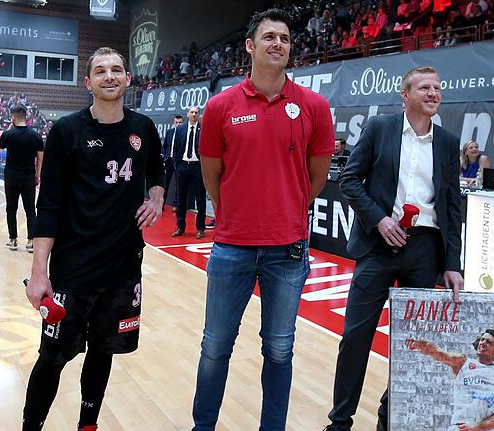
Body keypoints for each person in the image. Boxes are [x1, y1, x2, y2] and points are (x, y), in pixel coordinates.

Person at [192, 8, 333, 430]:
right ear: (250, 46)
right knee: (215, 347)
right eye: (269, 37)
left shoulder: (314, 106)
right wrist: (239, 213)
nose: (278, 44)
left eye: (285, 39)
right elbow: (212, 176)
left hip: (288, 249)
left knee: (279, 350)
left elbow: (318, 176)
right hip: (231, 246)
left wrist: (284, 209)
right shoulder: (220, 107)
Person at [21, 47, 164, 431]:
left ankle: (88, 424)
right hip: (73, 270)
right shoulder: (67, 131)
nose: (110, 76)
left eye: (117, 69)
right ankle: (30, 426)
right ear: (88, 82)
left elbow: (156, 169)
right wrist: (39, 273)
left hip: (122, 270)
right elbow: (48, 205)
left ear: (128, 78)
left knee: (104, 351)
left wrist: (157, 195)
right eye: (100, 71)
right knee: (51, 357)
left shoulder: (143, 128)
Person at [325, 66, 464, 431]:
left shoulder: (448, 142)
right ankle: (340, 421)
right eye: (424, 87)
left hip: (424, 249)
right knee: (356, 336)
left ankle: (390, 415)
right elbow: (351, 180)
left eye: (437, 87)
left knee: (414, 343)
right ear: (405, 95)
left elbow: (452, 205)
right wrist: (379, 220)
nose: (433, 93)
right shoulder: (380, 128)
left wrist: (452, 262)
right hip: (378, 243)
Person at [406, 330, 494, 431]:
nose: (483, 343)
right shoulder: (463, 363)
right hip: (460, 426)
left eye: (489, 342)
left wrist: (476, 427)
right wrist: (418, 345)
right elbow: (436, 352)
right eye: (482, 339)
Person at [0, 105, 44, 252]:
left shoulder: (8, 134)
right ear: (26, 117)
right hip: (28, 177)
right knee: (30, 209)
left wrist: (9, 129)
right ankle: (31, 242)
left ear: (14, 118)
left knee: (11, 208)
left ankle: (13, 240)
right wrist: (38, 175)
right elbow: (40, 158)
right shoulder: (36, 135)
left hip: (11, 177)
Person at [171, 106, 207, 239]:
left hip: (198, 167)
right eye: (191, 112)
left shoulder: (203, 129)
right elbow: (175, 148)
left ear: (198, 115)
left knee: (200, 198)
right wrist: (177, 164)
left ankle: (200, 228)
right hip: (183, 166)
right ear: (188, 114)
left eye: (196, 112)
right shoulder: (180, 129)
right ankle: (180, 227)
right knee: (181, 198)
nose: (193, 114)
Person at [162, 114, 184, 211]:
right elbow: (165, 146)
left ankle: (176, 205)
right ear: (173, 123)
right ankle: (161, 204)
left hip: (178, 162)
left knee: (178, 185)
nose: (178, 124)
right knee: (165, 184)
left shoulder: (185, 133)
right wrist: (164, 158)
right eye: (176, 122)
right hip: (168, 161)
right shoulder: (169, 132)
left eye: (180, 122)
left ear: (182, 123)